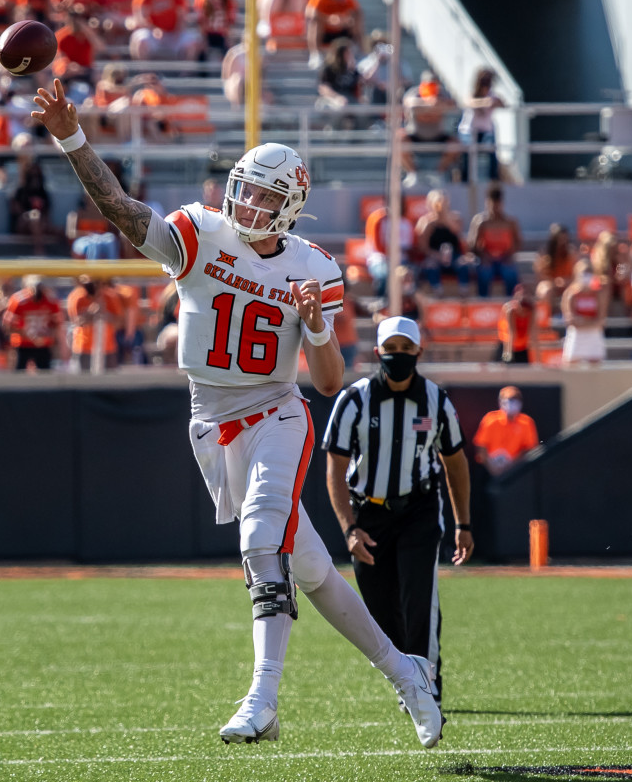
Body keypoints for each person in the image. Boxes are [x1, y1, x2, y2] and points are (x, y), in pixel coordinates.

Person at [32, 78, 444, 748]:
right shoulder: (201, 233)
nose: (250, 202)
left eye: (267, 195)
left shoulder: (313, 269)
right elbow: (117, 208)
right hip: (214, 423)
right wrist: (70, 137)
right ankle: (407, 673)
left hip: (277, 415)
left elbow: (331, 381)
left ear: (292, 207)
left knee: (260, 541)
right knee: (310, 570)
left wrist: (314, 326)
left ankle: (264, 698)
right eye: (246, 188)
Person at [322, 316, 472, 710]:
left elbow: (455, 462)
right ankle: (405, 675)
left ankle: (427, 680)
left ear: (419, 352)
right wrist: (349, 528)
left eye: (406, 349)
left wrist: (463, 523)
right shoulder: (354, 399)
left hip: (419, 508)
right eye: (392, 349)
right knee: (379, 609)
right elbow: (335, 469)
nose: (399, 356)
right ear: (378, 353)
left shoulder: (436, 400)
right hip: (368, 513)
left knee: (418, 597)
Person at [400, 71, 460, 185]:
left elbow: (454, 104)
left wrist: (440, 103)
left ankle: (438, 173)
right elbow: (407, 102)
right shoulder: (414, 93)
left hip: (438, 136)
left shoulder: (442, 94)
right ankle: (413, 174)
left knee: (455, 144)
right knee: (399, 140)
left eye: (434, 84)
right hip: (416, 135)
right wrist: (426, 103)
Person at [467, 184, 521, 297]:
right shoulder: (480, 222)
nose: (495, 208)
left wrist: (509, 256)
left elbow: (518, 242)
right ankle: (483, 303)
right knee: (484, 273)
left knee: (510, 273)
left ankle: (510, 302)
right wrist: (484, 256)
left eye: (497, 204)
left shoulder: (510, 222)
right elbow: (472, 244)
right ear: (487, 203)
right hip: (486, 259)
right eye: (492, 205)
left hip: (504, 258)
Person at [473, 385, 538, 476]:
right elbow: (481, 446)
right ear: (501, 402)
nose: (512, 404)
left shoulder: (526, 422)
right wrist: (492, 467)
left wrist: (512, 464)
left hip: (516, 471)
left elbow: (530, 449)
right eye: (509, 400)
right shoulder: (491, 420)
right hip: (490, 470)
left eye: (516, 401)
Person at [4, 274, 62, 371]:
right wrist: (29, 336)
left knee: (45, 376)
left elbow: (56, 324)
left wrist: (48, 337)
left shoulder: (50, 300)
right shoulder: (19, 301)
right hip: (23, 344)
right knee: (18, 376)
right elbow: (8, 326)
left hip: (43, 344)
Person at [67, 274, 123, 370]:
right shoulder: (78, 297)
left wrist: (104, 314)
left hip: (107, 346)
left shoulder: (110, 297)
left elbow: (118, 322)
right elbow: (77, 322)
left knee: (110, 379)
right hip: (84, 345)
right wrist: (91, 312)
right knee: (84, 379)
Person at [457, 67, 504, 182]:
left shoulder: (492, 96)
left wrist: (493, 102)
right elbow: (468, 102)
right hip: (468, 132)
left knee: (492, 152)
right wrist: (484, 102)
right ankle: (465, 181)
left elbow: (502, 103)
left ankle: (494, 182)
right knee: (467, 153)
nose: (486, 86)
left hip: (485, 132)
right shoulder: (472, 94)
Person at [305, 0, 362, 70]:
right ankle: (315, 55)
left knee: (356, 22)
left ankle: (358, 51)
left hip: (342, 30)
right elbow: (310, 13)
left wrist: (345, 20)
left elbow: (357, 13)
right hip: (325, 32)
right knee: (315, 24)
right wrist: (329, 20)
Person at [561, 258, 607, 365]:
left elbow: (601, 320)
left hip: (594, 335)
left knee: (596, 369)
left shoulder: (598, 294)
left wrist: (583, 321)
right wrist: (590, 322)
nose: (586, 276)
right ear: (577, 274)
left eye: (589, 273)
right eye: (584, 273)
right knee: (570, 367)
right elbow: (570, 320)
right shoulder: (571, 294)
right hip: (577, 336)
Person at [497, 283, 538, 364]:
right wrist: (507, 357)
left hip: (522, 347)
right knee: (506, 367)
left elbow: (533, 334)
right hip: (507, 345)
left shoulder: (531, 310)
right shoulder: (510, 310)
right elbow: (511, 334)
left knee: (525, 373)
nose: (523, 313)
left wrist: (538, 360)